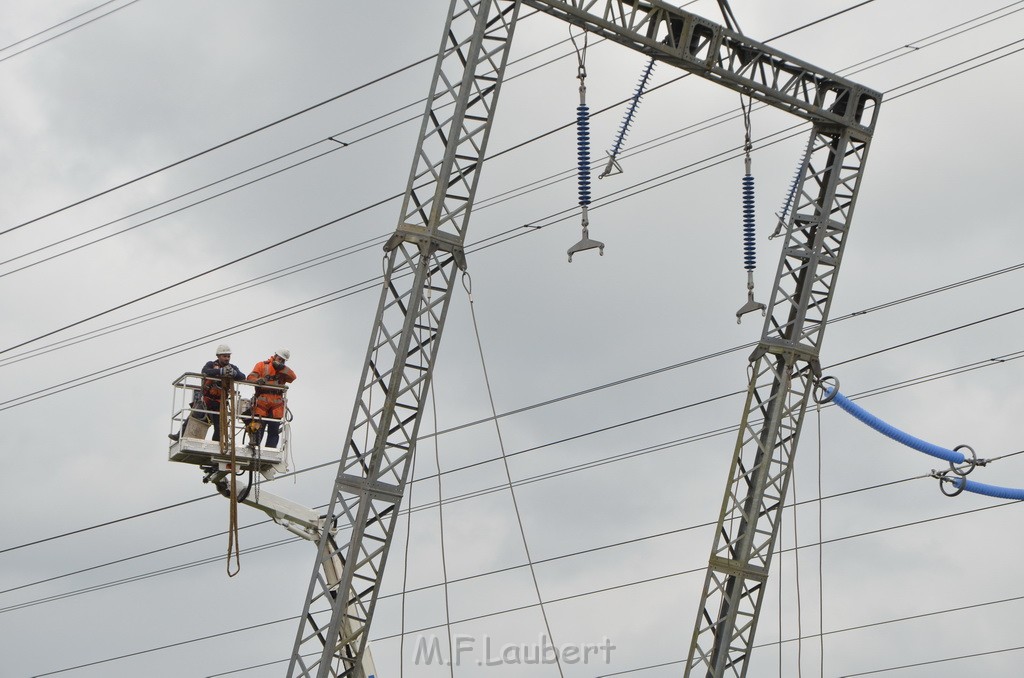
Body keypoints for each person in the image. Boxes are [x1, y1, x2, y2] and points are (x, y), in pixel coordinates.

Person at [169, 344, 246, 443]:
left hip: (220, 402)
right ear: (218, 356)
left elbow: (242, 376)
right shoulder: (211, 364)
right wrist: (220, 371)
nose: (227, 358)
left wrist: (234, 374)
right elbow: (205, 371)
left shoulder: (232, 368)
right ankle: (179, 435)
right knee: (194, 416)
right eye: (224, 356)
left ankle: (216, 444)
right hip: (207, 400)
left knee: (219, 427)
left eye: (228, 356)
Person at [245, 348, 296, 449]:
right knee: (258, 428)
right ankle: (254, 448)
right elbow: (250, 377)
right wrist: (257, 380)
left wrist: (282, 368)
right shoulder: (262, 365)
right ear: (275, 355)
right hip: (262, 402)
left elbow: (293, 377)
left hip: (276, 404)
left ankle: (270, 449)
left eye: (283, 360)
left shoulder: (283, 370)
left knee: (274, 430)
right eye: (279, 359)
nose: (281, 361)